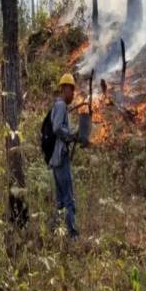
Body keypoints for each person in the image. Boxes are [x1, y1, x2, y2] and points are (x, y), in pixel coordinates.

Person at [49, 73, 79, 238]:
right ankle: (72, 235)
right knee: (68, 199)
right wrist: (71, 135)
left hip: (56, 158)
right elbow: (57, 128)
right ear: (65, 88)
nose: (73, 95)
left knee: (60, 200)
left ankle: (55, 232)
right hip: (61, 157)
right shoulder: (60, 105)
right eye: (72, 90)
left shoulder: (57, 105)